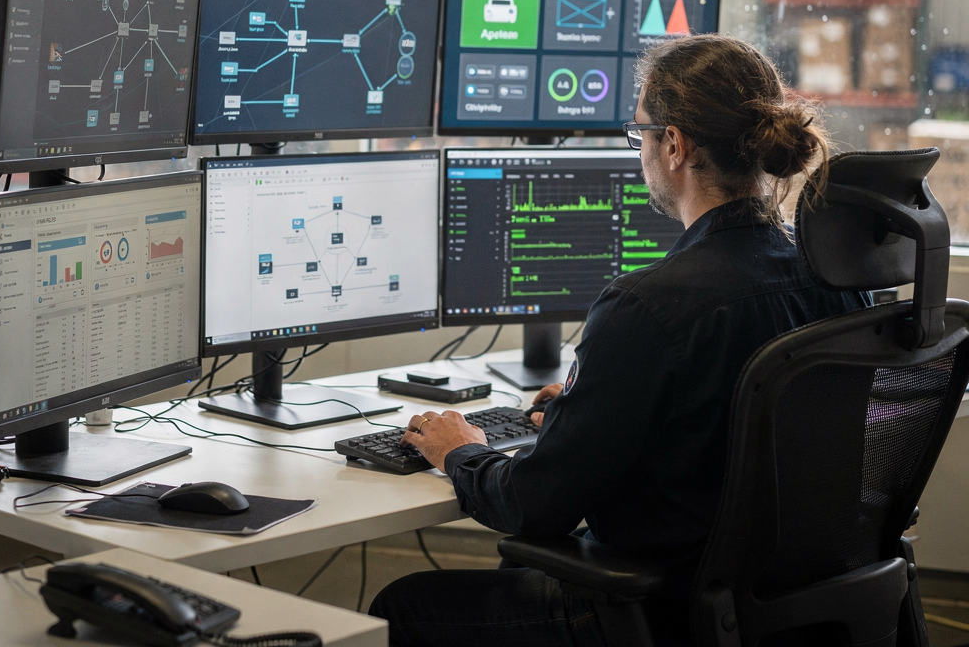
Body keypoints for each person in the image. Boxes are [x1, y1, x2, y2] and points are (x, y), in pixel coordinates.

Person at [368, 34, 869, 647]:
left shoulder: (647, 305)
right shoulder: (837, 281)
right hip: (793, 608)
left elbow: (532, 507)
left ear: (675, 145)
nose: (641, 152)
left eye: (640, 135)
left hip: (667, 613)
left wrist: (461, 451)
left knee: (401, 606)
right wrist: (590, 412)